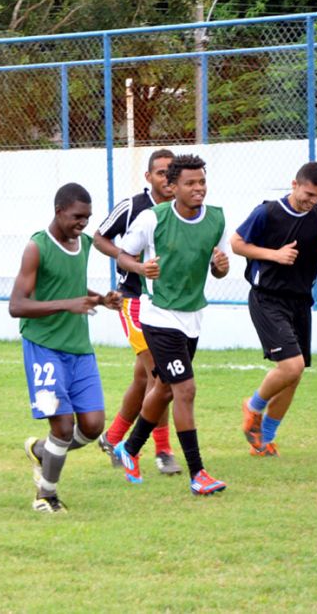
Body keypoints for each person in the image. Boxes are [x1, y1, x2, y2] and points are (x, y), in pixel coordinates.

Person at [112, 154, 231, 496]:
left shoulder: (217, 219)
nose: (198, 189)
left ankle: (129, 449)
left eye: (202, 182)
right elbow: (124, 254)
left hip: (192, 316)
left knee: (164, 389)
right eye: (190, 183)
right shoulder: (153, 219)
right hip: (159, 316)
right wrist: (140, 270)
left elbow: (219, 270)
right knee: (185, 390)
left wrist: (220, 266)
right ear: (173, 186)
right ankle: (198, 473)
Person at [11, 183, 121, 513]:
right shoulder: (37, 247)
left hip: (79, 348)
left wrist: (101, 299)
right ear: (59, 211)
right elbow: (17, 305)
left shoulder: (84, 244)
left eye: (87, 218)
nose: (82, 224)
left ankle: (44, 451)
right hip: (44, 347)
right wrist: (67, 304)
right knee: (62, 425)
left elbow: (70, 286)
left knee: (93, 426)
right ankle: (46, 495)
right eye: (77, 217)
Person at [230, 161, 317, 456]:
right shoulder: (267, 213)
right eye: (308, 194)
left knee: (295, 374)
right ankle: (252, 407)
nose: (312, 202)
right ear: (294, 185)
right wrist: (273, 255)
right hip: (267, 298)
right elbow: (237, 243)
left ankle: (264, 441)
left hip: (300, 300)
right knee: (292, 365)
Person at [93, 148, 182, 475]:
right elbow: (99, 237)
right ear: (149, 177)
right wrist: (130, 261)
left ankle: (113, 437)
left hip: (170, 303)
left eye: (172, 173)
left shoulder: (182, 209)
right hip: (134, 300)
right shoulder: (134, 206)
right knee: (162, 374)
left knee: (145, 376)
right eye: (161, 173)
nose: (167, 179)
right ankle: (162, 450)